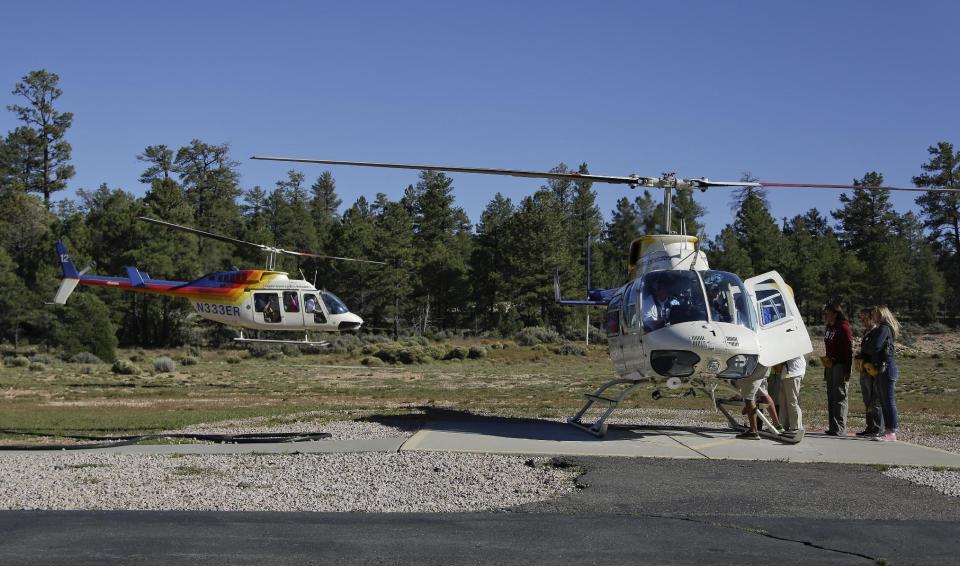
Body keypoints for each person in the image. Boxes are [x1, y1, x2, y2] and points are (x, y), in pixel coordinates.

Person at [859, 305, 901, 442]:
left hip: (886, 368)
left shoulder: (883, 328)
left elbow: (875, 346)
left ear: (881, 315)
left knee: (888, 401)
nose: (873, 317)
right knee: (883, 400)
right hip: (883, 368)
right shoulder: (882, 329)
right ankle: (887, 431)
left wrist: (867, 346)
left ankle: (891, 431)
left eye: (875, 314)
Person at [822, 303, 853, 436]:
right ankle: (833, 426)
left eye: (827, 313)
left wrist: (847, 369)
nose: (825, 316)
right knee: (831, 395)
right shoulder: (829, 327)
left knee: (840, 395)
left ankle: (840, 427)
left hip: (840, 365)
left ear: (835, 313)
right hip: (830, 365)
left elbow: (848, 349)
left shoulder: (844, 327)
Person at [734, 365, 785, 440]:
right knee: (763, 394)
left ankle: (753, 431)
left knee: (749, 397)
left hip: (755, 367)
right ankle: (777, 425)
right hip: (764, 366)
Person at [777, 356, 806, 434]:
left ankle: (796, 427)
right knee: (783, 401)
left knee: (792, 400)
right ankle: (782, 426)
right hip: (786, 373)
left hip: (793, 372)